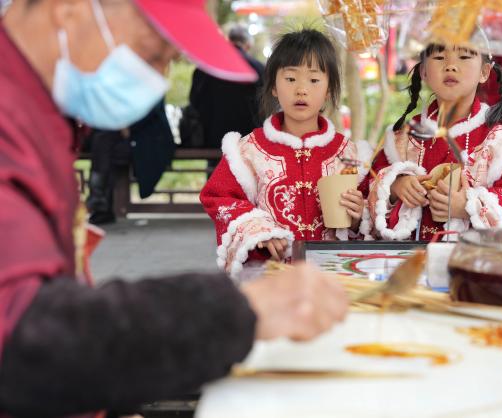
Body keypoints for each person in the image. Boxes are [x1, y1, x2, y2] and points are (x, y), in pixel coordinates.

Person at [0, 1, 349, 417]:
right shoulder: (11, 124)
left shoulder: (38, 116)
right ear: (69, 9)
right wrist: (236, 313)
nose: (160, 77)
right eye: (152, 52)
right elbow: (23, 339)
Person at [200, 29, 370, 276]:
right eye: (290, 79)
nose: (301, 90)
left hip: (333, 279)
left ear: (329, 91)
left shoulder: (349, 153)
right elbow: (217, 196)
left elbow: (370, 213)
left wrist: (358, 217)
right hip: (271, 279)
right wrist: (258, 231)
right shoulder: (248, 150)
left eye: (314, 80)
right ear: (273, 87)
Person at [367, 44, 502, 241]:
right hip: (407, 262)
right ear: (424, 72)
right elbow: (365, 192)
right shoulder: (401, 140)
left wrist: (469, 206)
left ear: (484, 72)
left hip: (472, 263)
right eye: (439, 58)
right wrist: (395, 186)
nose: (451, 66)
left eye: (463, 57)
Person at [188, 25, 264, 150]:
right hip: (247, 138)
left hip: (212, 138)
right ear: (248, 45)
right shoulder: (257, 68)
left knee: (215, 168)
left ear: (228, 40)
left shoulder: (206, 67)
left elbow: (194, 101)